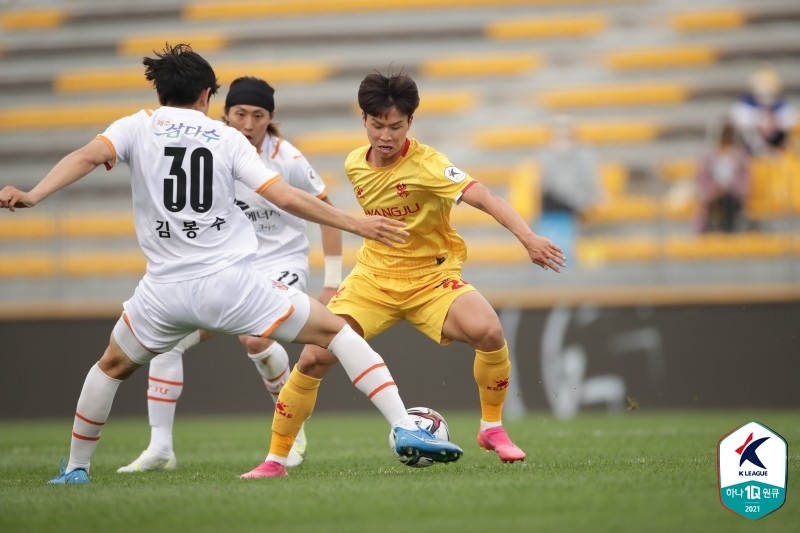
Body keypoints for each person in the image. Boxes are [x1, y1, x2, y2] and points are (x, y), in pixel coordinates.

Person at [0, 44, 463, 485]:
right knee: (336, 332)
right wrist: (355, 224)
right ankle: (403, 424)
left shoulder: (134, 126)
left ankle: (77, 468)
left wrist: (34, 193)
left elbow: (87, 156)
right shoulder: (226, 138)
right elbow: (284, 195)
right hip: (230, 283)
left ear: (159, 92)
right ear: (207, 97)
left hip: (162, 291)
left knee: (110, 366)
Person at [239, 71, 566, 479]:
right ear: (364, 121)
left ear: (410, 123)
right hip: (373, 279)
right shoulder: (355, 165)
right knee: (313, 357)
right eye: (377, 125)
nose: (386, 136)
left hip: (431, 279)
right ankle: (276, 459)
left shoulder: (429, 165)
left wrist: (527, 236)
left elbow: (485, 196)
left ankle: (491, 428)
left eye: (396, 126)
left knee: (489, 331)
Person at [116, 76, 343, 473]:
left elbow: (326, 211)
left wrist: (332, 281)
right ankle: (161, 448)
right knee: (167, 341)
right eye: (240, 113)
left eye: (258, 115)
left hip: (279, 263)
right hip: (222, 267)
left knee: (255, 339)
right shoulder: (209, 145)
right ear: (225, 113)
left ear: (270, 119)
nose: (249, 123)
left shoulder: (287, 159)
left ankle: (292, 433)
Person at [536, 115, 604, 261]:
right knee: (552, 236)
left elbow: (589, 177)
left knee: (566, 241)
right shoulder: (547, 153)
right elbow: (546, 180)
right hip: (552, 204)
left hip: (572, 203)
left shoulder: (584, 153)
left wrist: (592, 197)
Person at [695, 121, 751, 233]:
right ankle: (710, 233)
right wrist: (713, 190)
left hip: (733, 197)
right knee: (712, 205)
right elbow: (702, 180)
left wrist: (731, 189)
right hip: (713, 197)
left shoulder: (740, 157)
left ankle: (729, 233)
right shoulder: (709, 157)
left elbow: (745, 184)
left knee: (728, 203)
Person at [730, 63, 797, 156]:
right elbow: (739, 118)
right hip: (751, 144)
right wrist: (761, 120)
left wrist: (774, 122)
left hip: (776, 142)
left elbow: (790, 120)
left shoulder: (781, 104)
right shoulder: (746, 103)